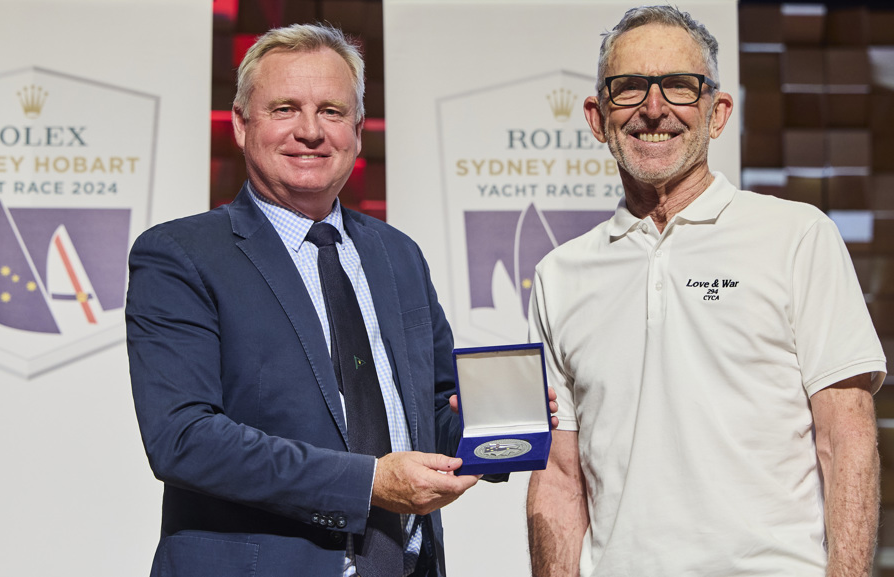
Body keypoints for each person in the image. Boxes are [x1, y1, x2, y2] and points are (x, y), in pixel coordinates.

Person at [526, 6, 885, 577]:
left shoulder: (798, 236)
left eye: (678, 86)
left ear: (717, 113)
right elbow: (559, 477)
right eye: (629, 88)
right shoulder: (558, 275)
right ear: (596, 118)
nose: (653, 107)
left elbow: (846, 439)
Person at [127, 23, 480, 577]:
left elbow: (430, 415)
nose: (311, 131)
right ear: (242, 126)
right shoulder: (179, 255)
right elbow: (184, 438)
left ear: (359, 133)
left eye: (333, 112)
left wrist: (499, 425)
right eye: (285, 108)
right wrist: (369, 484)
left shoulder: (398, 255)